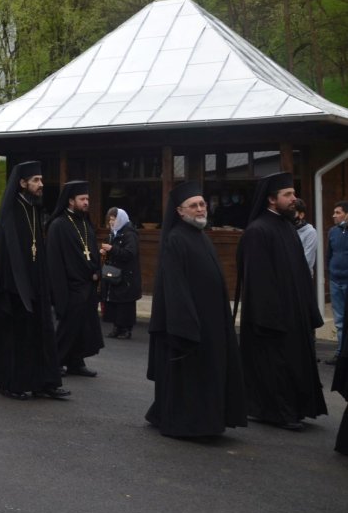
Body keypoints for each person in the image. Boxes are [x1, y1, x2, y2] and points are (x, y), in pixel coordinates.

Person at [145, 181, 247, 438]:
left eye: (202, 204)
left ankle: (208, 420)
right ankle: (191, 425)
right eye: (194, 205)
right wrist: (186, 327)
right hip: (192, 326)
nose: (201, 209)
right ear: (180, 211)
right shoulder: (176, 239)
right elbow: (175, 288)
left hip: (213, 322)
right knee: (192, 378)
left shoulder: (200, 235)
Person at [236, 172, 327, 431]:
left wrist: (308, 311)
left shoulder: (286, 226)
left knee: (293, 365)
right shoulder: (258, 231)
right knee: (275, 368)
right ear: (272, 200)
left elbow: (300, 273)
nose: (293, 199)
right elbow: (259, 282)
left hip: (294, 315)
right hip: (272, 320)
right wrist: (271, 319)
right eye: (288, 195)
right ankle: (277, 413)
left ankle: (295, 409)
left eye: (293, 193)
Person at [0, 161, 68, 400]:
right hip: (14, 289)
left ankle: (44, 382)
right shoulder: (11, 212)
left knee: (41, 333)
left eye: (41, 179)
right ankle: (11, 383)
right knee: (16, 338)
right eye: (36, 180)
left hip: (35, 286)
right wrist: (19, 289)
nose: (41, 184)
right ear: (22, 183)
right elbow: (7, 258)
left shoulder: (34, 209)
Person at [46, 180, 104, 378]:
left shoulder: (85, 223)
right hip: (70, 287)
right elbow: (55, 261)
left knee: (83, 327)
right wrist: (58, 290)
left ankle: (76, 362)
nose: (87, 202)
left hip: (87, 284)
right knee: (67, 328)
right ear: (71, 201)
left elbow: (93, 250)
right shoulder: (58, 225)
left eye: (87, 199)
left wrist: (97, 270)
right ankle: (54, 362)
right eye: (82, 199)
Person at [100, 207, 141, 339]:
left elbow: (129, 253)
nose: (112, 222)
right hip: (115, 275)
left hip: (126, 276)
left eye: (114, 219)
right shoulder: (113, 234)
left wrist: (112, 249)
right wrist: (105, 252)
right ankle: (116, 327)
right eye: (110, 219)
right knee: (114, 302)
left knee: (125, 303)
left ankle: (126, 329)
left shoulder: (130, 234)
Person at [327, 201, 348, 365]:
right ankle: (340, 354)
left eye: (338, 212)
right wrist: (330, 272)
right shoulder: (332, 232)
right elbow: (329, 254)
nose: (334, 215)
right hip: (335, 280)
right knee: (340, 321)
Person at [292, 198, 318, 275]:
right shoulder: (285, 229)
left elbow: (308, 259)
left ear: (301, 215)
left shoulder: (310, 232)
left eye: (293, 212)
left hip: (302, 276)